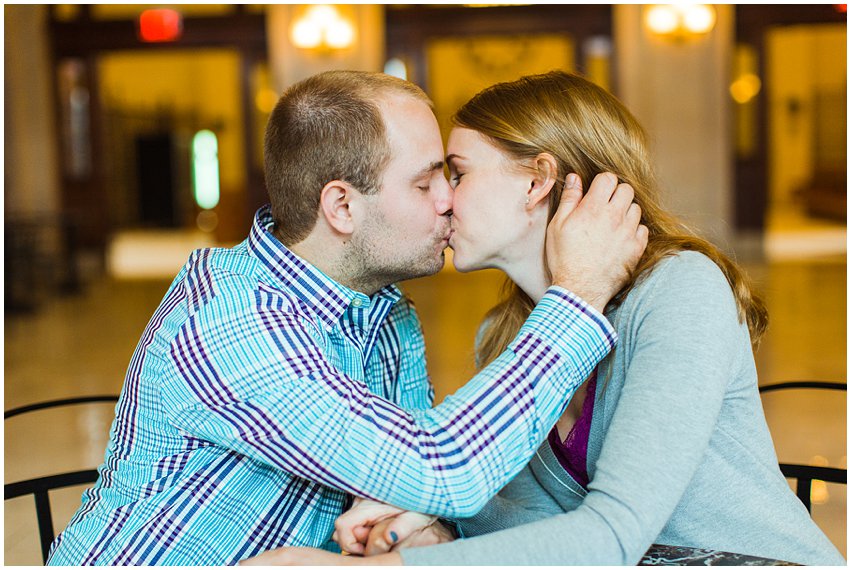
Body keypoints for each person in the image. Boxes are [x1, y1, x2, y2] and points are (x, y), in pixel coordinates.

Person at [242, 71, 846, 566]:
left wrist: (399, 565)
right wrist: (431, 516)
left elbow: (612, 536)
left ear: (538, 181)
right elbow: (544, 523)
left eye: (457, 172)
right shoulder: (508, 335)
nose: (444, 198)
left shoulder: (679, 290)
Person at [46, 70, 647, 565]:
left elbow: (415, 487)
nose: (449, 199)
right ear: (341, 206)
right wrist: (577, 294)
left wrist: (418, 526)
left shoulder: (385, 310)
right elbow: (444, 469)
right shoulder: (232, 323)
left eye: (451, 173)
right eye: (426, 181)